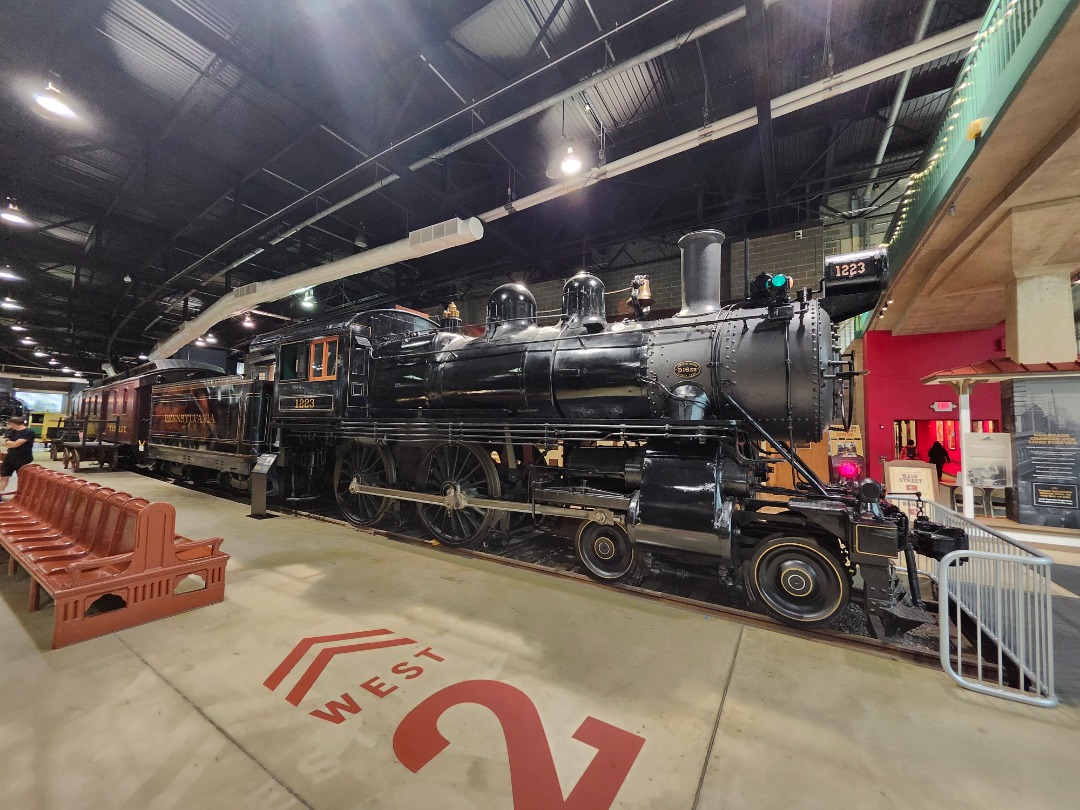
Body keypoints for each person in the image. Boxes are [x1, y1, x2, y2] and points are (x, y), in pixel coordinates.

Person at [0, 415, 35, 499]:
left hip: (23, 459)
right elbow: (5, 442)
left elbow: (16, 444)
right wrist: (9, 443)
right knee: (4, 476)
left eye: (10, 424)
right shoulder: (13, 431)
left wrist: (10, 443)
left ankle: (22, 496)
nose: (9, 426)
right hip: (10, 457)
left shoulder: (28, 432)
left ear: (14, 424)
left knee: (22, 479)